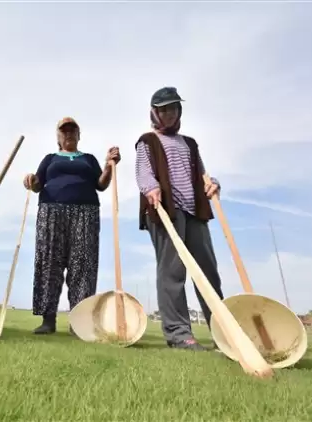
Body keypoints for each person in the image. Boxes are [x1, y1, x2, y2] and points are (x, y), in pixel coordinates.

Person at [134, 87, 224, 351]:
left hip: (195, 210)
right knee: (173, 272)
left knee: (208, 272)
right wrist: (151, 188)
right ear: (154, 113)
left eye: (172, 108)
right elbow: (143, 173)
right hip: (165, 210)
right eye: (162, 109)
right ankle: (179, 333)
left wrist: (212, 184)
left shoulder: (190, 143)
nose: (168, 114)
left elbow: (203, 175)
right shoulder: (147, 141)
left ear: (179, 111)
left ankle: (223, 330)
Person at [23, 117, 120, 334]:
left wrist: (109, 166)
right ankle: (48, 321)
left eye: (72, 131)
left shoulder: (88, 159)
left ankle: (79, 321)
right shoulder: (50, 159)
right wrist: (30, 180)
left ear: (78, 135)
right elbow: (38, 185)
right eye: (64, 131)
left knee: (83, 265)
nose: (68, 134)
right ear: (58, 136)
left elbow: (101, 184)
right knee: (50, 262)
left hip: (86, 213)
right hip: (51, 211)